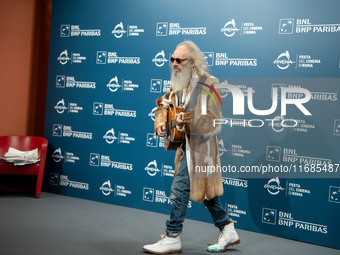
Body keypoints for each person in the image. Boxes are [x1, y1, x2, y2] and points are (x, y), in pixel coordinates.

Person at [142, 41, 240, 254]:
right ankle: (227, 228)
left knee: (179, 190)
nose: (174, 64)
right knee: (205, 194)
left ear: (192, 63)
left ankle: (172, 237)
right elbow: (162, 105)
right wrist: (160, 122)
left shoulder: (209, 83)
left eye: (180, 60)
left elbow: (212, 121)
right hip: (184, 149)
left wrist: (184, 121)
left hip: (201, 151)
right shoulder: (177, 83)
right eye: (172, 60)